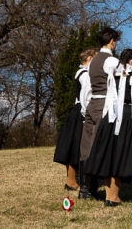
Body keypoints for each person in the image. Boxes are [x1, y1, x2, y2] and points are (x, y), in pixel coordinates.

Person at [85, 49, 132, 206]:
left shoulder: (112, 77)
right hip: (126, 117)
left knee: (110, 155)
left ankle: (109, 195)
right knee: (120, 155)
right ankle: (113, 197)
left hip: (109, 119)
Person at [79, 27, 121, 200]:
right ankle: (91, 188)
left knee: (87, 144)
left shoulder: (94, 61)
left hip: (92, 103)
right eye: (116, 41)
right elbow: (119, 86)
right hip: (105, 104)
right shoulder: (111, 61)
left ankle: (85, 188)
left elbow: (87, 88)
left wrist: (85, 107)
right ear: (112, 41)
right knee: (100, 144)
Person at [54, 48, 98, 191]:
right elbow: (86, 97)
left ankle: (75, 178)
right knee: (76, 147)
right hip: (82, 112)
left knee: (78, 146)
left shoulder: (83, 73)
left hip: (79, 110)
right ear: (91, 58)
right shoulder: (85, 75)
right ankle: (71, 181)